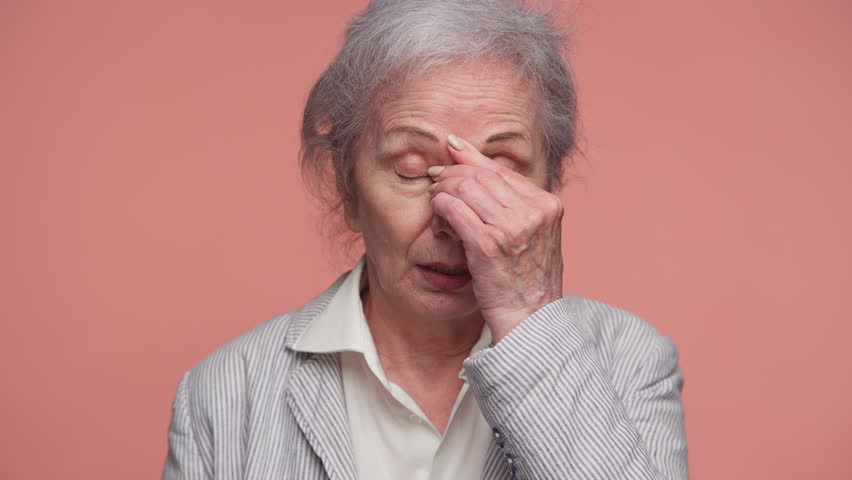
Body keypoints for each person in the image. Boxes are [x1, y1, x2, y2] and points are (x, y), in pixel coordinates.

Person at [162, 0, 688, 478]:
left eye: (499, 173)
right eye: (412, 170)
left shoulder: (628, 359)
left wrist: (529, 317)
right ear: (346, 185)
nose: (454, 216)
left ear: (548, 190)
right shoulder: (226, 391)